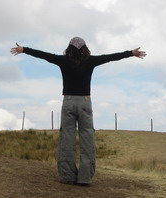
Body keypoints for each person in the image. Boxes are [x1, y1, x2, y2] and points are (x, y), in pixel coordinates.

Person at [10, 37, 146, 186]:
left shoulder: (63, 60)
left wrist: (24, 50)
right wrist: (131, 53)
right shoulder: (90, 61)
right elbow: (110, 57)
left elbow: (44, 55)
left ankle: (67, 176)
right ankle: (85, 177)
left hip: (68, 103)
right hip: (85, 103)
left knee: (66, 140)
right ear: (85, 48)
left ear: (69, 48)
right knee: (87, 139)